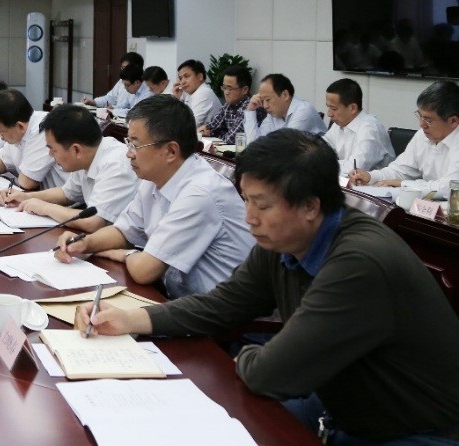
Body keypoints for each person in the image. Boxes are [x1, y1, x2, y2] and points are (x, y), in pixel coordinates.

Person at [77, 130, 459, 445]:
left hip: (413, 431)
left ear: (310, 206)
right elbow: (223, 303)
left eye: (262, 205)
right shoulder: (284, 240)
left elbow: (269, 375)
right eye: (246, 201)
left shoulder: (359, 263)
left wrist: (245, 355)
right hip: (337, 404)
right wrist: (131, 319)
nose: (249, 218)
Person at [55, 94, 252, 298]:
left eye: (135, 145)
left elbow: (144, 271)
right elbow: (125, 231)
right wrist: (85, 243)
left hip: (223, 312)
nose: (128, 153)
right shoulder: (154, 177)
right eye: (128, 143)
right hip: (180, 300)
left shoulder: (200, 193)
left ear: (170, 151)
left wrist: (126, 254)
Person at [2, 104, 138, 231]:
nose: (50, 154)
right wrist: (25, 197)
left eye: (53, 149)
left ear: (76, 150)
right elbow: (66, 194)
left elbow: (93, 222)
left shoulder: (115, 165)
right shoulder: (89, 154)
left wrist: (45, 208)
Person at [349, 80, 459, 195]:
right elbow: (400, 170)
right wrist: (370, 176)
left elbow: (449, 188)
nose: (421, 124)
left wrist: (403, 184)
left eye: (428, 120)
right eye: (420, 116)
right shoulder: (422, 135)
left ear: (453, 121)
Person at [0, 89, 64, 190]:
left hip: (65, 198)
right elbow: (2, 161)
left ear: (20, 126)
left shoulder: (43, 130)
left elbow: (27, 182)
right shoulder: (16, 131)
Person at [322, 78, 393, 174]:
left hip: (378, 182)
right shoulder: (339, 123)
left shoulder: (370, 129)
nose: (329, 114)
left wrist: (321, 163)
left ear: (352, 108)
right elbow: (320, 148)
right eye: (328, 107)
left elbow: (354, 169)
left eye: (334, 109)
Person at [243, 73, 327, 142]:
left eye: (268, 99)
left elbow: (283, 147)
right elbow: (253, 144)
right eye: (262, 100)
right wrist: (250, 110)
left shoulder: (303, 111)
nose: (265, 106)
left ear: (285, 95)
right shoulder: (274, 115)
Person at [198, 64, 251, 142]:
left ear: (245, 90)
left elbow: (231, 139)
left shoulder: (249, 108)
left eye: (230, 88)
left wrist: (212, 133)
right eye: (224, 88)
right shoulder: (227, 106)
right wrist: (210, 132)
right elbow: (209, 127)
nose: (226, 92)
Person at [172, 59, 222, 126]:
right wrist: (177, 99)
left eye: (186, 76)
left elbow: (190, 125)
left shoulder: (203, 93)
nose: (182, 82)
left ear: (200, 77)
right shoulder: (190, 93)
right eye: (180, 78)